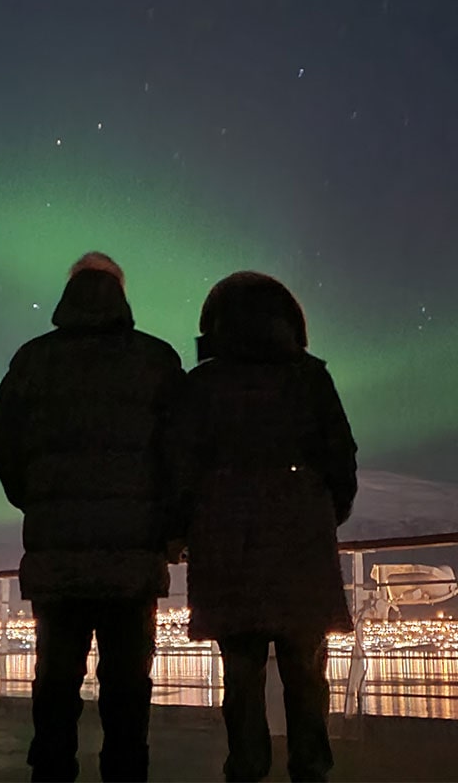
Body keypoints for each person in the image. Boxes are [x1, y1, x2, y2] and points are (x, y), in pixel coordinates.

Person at [0, 253, 184, 783]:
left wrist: (39, 501)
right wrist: (167, 527)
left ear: (68, 290)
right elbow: (180, 457)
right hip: (133, 558)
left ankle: (51, 772)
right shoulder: (156, 360)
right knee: (127, 688)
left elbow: (3, 447)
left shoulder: (33, 359)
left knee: (55, 681)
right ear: (121, 291)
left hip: (58, 554)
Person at [176, 272, 357, 783]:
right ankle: (311, 769)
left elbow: (179, 466)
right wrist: (324, 513)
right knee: (305, 671)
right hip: (302, 543)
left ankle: (247, 768)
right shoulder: (310, 377)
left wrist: (188, 527)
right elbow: (342, 459)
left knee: (241, 673)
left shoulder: (202, 386)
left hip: (226, 544)